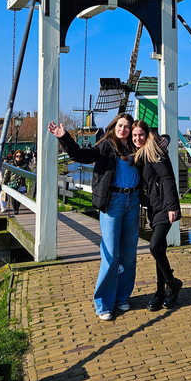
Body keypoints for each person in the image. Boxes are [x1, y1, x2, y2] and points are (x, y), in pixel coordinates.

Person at [48, 113, 140, 321]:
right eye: (120, 126)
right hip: (113, 201)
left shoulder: (135, 146)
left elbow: (154, 142)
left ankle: (122, 297)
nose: (123, 129)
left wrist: (164, 139)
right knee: (110, 254)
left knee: (128, 252)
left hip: (132, 200)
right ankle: (103, 303)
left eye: (127, 126)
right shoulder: (107, 145)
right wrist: (65, 137)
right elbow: (82, 156)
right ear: (114, 126)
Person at [131, 120, 183, 312]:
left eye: (140, 135)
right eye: (134, 135)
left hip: (164, 207)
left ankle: (172, 283)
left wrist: (171, 206)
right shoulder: (141, 153)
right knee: (160, 249)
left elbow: (167, 178)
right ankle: (161, 292)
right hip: (153, 207)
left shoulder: (155, 152)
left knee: (154, 246)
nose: (137, 138)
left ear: (148, 134)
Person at [3, 149, 29, 215]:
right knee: (13, 196)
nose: (19, 158)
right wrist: (4, 182)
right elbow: (7, 173)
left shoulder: (24, 164)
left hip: (21, 182)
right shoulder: (11, 164)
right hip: (13, 181)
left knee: (20, 196)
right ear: (15, 156)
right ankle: (15, 210)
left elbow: (29, 172)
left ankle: (17, 208)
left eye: (20, 156)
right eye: (17, 156)